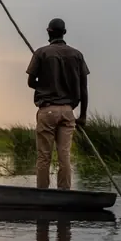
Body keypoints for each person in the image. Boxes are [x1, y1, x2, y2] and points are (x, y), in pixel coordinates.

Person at [25, 18, 89, 190]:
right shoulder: (77, 55)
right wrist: (82, 116)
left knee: (44, 157)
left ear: (48, 32)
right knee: (64, 156)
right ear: (64, 33)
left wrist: (45, 84)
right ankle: (64, 193)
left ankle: (43, 193)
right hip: (68, 112)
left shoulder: (41, 53)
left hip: (47, 111)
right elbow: (84, 89)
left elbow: (31, 82)